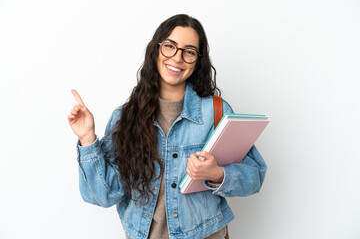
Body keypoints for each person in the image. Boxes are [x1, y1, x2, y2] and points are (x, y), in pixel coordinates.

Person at [68, 14, 267, 239]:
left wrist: (217, 174)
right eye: (170, 46)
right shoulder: (125, 117)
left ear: (198, 60)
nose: (177, 58)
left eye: (189, 51)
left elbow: (255, 175)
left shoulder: (216, 112)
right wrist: (87, 139)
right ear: (156, 49)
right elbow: (103, 195)